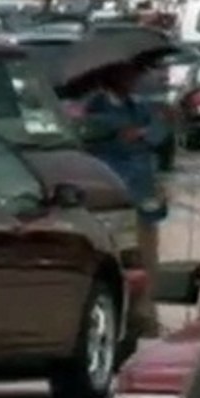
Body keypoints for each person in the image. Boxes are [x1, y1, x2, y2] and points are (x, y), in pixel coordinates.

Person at [81, 60, 170, 336]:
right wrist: (125, 132)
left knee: (147, 259)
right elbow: (95, 132)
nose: (134, 78)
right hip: (115, 196)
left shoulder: (137, 106)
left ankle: (145, 317)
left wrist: (154, 126)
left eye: (135, 72)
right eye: (129, 72)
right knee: (122, 262)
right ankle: (124, 319)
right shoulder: (95, 108)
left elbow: (156, 134)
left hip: (143, 195)